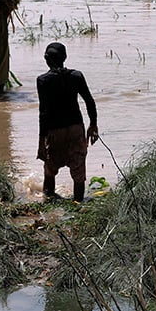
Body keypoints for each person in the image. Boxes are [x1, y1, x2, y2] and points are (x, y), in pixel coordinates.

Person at [36, 41, 99, 202]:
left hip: (55, 130)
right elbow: (90, 101)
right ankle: (78, 204)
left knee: (50, 170)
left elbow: (43, 112)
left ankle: (48, 203)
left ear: (46, 59)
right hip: (76, 128)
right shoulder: (76, 76)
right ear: (65, 57)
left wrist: (41, 141)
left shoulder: (43, 80)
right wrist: (93, 124)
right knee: (79, 173)